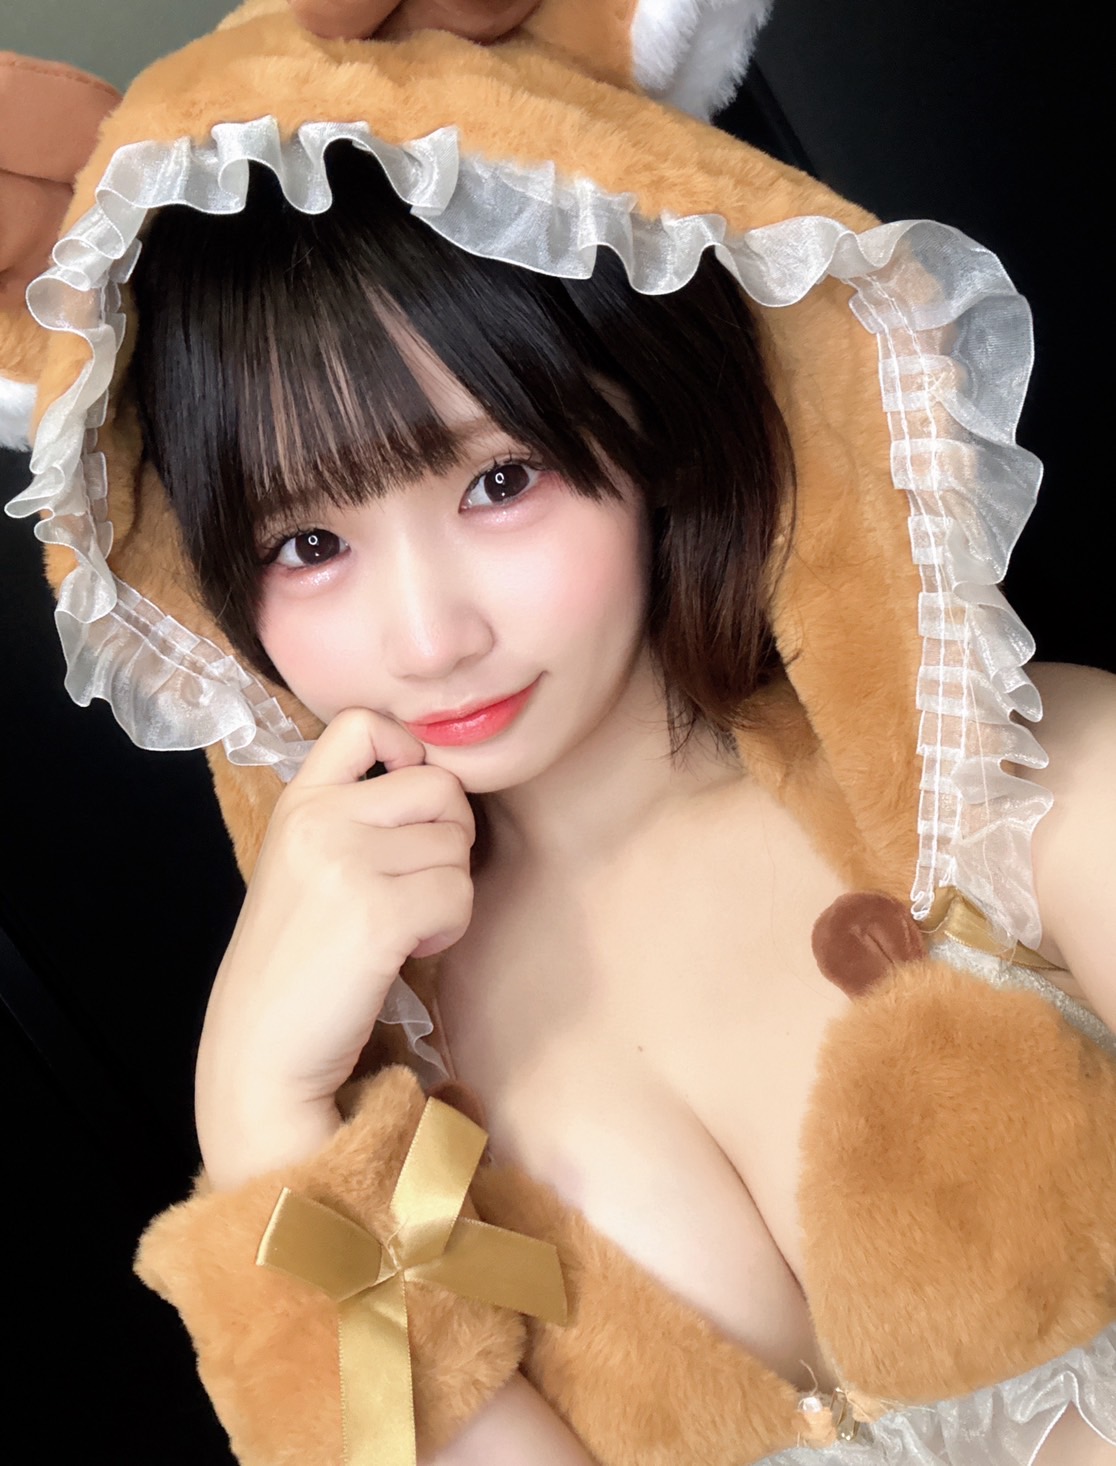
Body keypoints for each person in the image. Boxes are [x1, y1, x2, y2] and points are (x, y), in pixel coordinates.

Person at [1, 3, 1113, 1464]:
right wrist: (261, 1116)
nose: (428, 637)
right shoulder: (384, 1074)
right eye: (309, 544)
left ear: (652, 419)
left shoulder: (1021, 781)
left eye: (499, 480)